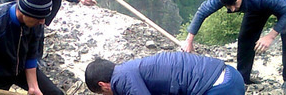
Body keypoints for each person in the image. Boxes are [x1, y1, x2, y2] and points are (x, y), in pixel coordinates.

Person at [182, 0, 286, 92]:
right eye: (228, 6)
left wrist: (270, 36)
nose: (232, 9)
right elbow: (202, 12)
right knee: (245, 39)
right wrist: (189, 41)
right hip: (256, 3)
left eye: (234, 4)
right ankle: (243, 78)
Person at [85, 52, 245, 95]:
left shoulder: (122, 79)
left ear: (103, 85)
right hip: (231, 76)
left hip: (219, 87)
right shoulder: (129, 69)